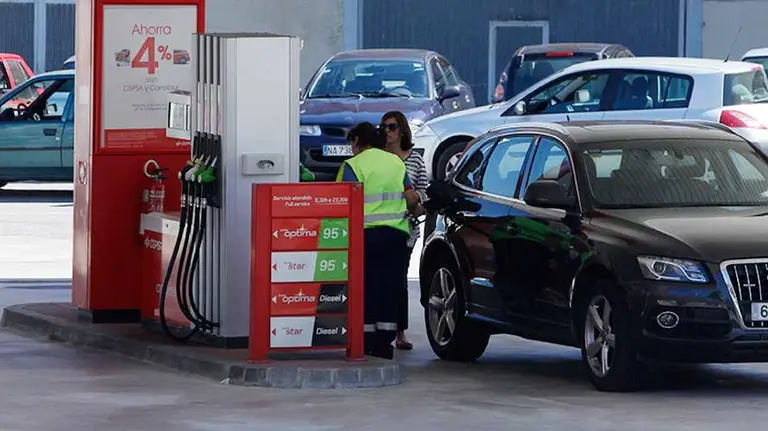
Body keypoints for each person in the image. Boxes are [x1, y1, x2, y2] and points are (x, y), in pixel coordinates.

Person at [336, 122, 419, 359]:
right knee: (389, 289)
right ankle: (385, 343)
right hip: (396, 235)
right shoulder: (396, 162)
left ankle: (365, 340)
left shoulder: (352, 165)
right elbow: (410, 196)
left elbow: (341, 201)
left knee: (366, 288)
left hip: (365, 235)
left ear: (356, 141)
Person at [381, 111, 428, 351]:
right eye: (384, 127)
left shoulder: (415, 159)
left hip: (406, 228)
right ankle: (380, 330)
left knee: (399, 280)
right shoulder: (377, 158)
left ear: (402, 131)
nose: (387, 132)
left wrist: (416, 200)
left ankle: (400, 331)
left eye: (391, 127)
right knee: (381, 279)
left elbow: (423, 190)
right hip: (380, 227)